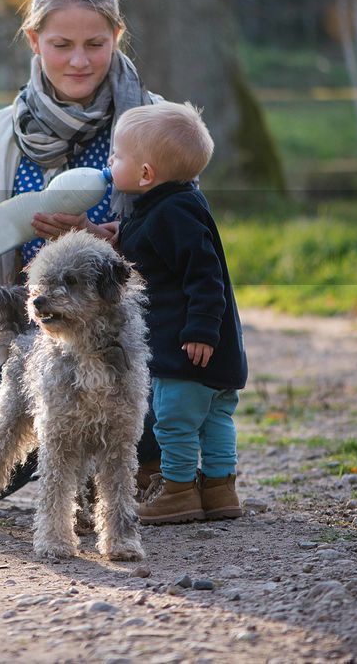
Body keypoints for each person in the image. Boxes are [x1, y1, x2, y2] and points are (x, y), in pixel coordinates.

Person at [0, 0, 161, 508]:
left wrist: (106, 240)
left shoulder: (153, 123)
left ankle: (141, 459)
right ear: (33, 41)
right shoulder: (0, 132)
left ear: (117, 36)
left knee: (126, 444)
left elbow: (192, 247)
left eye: (95, 43)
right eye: (61, 44)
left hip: (132, 344)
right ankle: (79, 457)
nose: (79, 60)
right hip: (31, 346)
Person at [107, 101, 247, 524]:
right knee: (216, 419)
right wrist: (121, 236)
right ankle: (221, 489)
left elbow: (204, 275)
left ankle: (179, 489)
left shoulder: (171, 213)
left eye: (116, 156)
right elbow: (159, 250)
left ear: (146, 174)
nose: (110, 163)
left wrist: (200, 330)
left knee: (175, 423)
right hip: (219, 352)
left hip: (188, 349)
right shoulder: (180, 203)